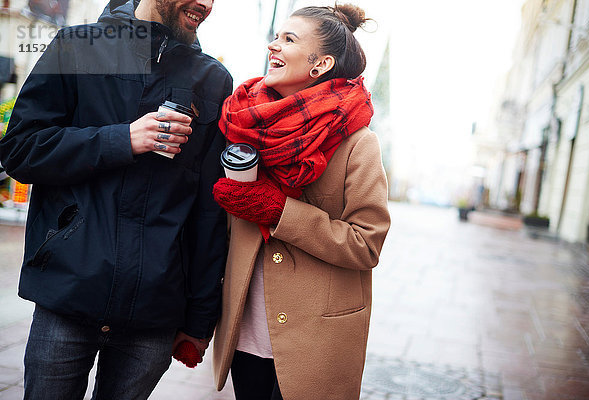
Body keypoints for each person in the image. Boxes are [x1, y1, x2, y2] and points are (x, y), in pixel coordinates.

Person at [0, 0, 231, 398]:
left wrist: (199, 320)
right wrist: (122, 139)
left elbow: (210, 211)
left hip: (155, 315)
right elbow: (21, 150)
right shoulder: (76, 46)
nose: (206, 4)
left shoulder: (212, 79)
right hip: (67, 296)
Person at [211, 4, 391, 400]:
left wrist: (280, 212)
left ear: (321, 63)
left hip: (317, 338)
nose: (273, 45)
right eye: (276, 36)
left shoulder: (358, 142)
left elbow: (367, 244)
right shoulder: (244, 122)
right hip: (246, 330)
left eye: (289, 39)